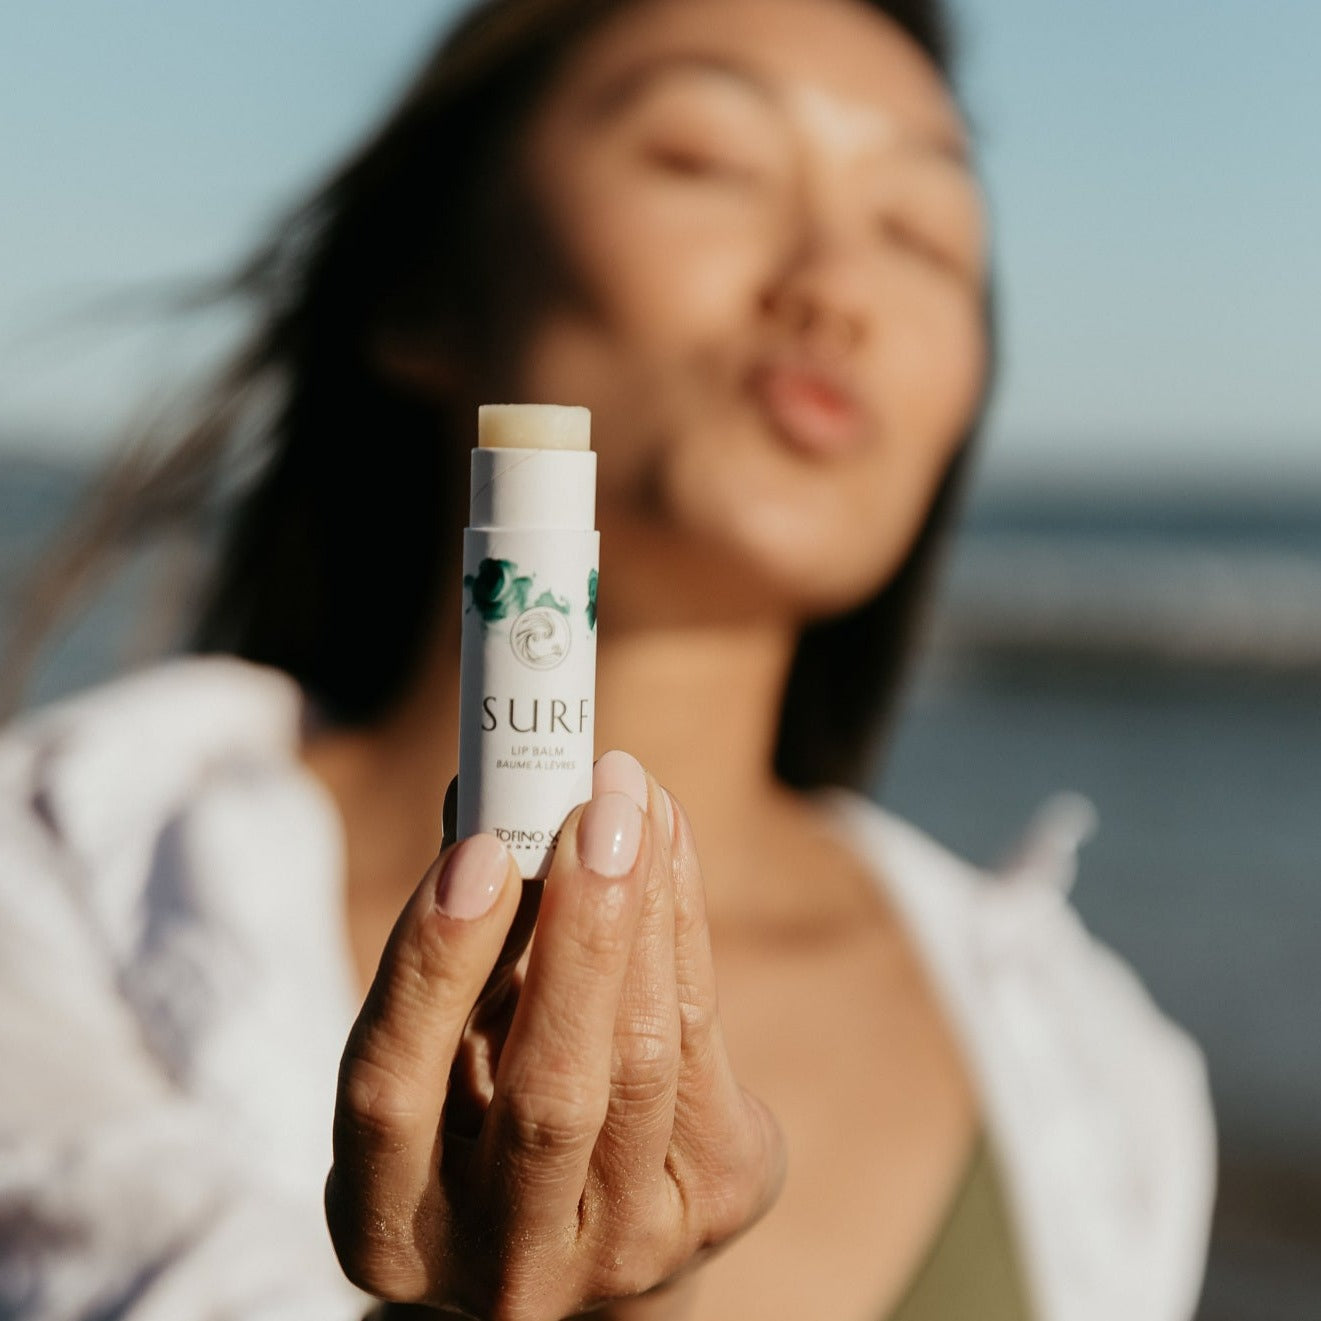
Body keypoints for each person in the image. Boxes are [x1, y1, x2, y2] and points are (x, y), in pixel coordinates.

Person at [0, 0, 1216, 1318]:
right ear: (428, 285)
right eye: (707, 161)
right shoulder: (56, 887)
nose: (833, 281)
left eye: (922, 235)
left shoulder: (1103, 1070)